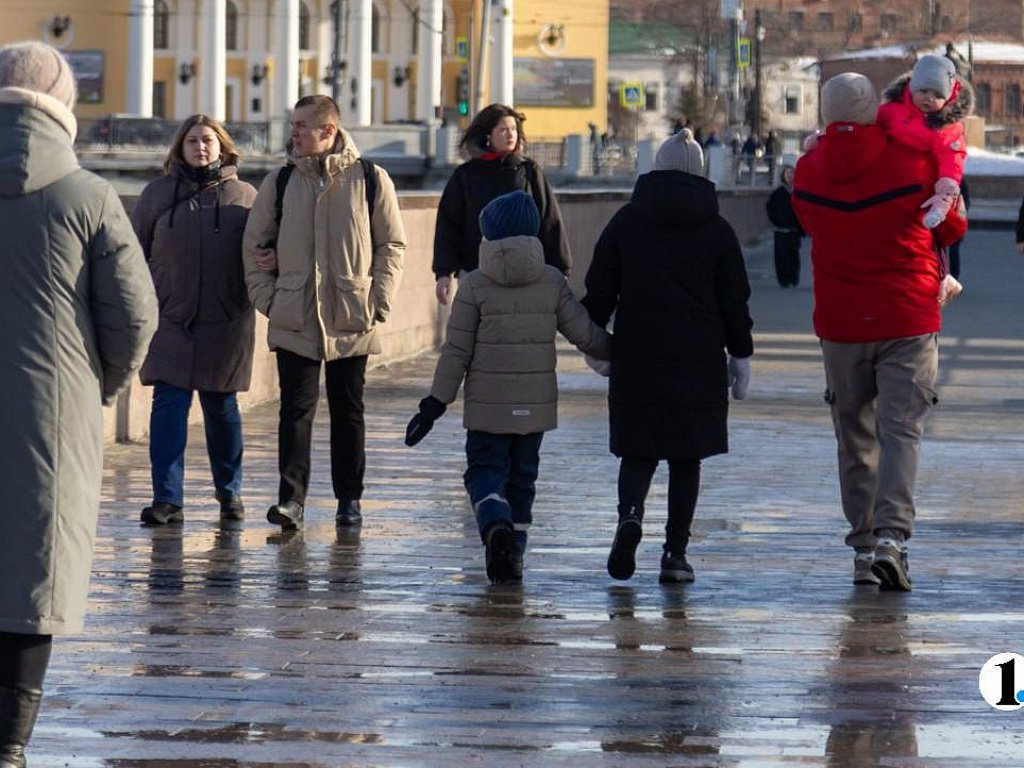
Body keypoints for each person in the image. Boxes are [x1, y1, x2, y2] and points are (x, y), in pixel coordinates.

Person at [0, 41, 157, 765]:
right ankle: (9, 743)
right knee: (33, 570)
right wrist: (96, 386)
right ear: (62, 106)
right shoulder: (87, 195)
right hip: (48, 409)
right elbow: (134, 315)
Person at [791, 73, 967, 591]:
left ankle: (864, 546)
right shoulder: (913, 162)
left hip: (842, 322)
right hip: (907, 318)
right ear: (878, 109)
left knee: (854, 434)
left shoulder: (807, 171)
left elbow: (808, 222)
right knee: (901, 430)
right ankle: (892, 538)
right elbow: (952, 227)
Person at [405, 191, 611, 584]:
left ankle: (494, 522)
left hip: (487, 409)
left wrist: (434, 404)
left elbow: (456, 352)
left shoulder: (475, 285)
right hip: (535, 410)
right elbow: (585, 334)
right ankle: (512, 556)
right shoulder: (552, 281)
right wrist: (624, 355)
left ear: (490, 237)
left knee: (483, 471)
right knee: (523, 480)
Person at [581, 129, 754, 584]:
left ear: (654, 169)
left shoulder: (626, 221)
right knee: (686, 457)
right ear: (700, 171)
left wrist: (595, 345)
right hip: (698, 358)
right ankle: (675, 555)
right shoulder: (717, 229)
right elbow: (735, 300)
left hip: (638, 353)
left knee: (638, 450)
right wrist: (742, 356)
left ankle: (631, 516)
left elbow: (599, 290)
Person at [243, 94, 406, 531]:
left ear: (328, 131)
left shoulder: (370, 178)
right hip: (295, 312)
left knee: (349, 410)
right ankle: (291, 501)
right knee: (295, 411)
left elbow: (391, 244)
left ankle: (349, 500)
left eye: (300, 126)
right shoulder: (279, 182)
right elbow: (255, 244)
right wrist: (270, 300)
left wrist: (379, 299)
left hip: (351, 312)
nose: (292, 133)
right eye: (292, 125)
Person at [131, 115, 257, 526]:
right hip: (171, 318)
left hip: (225, 320)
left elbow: (265, 250)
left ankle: (230, 494)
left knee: (221, 409)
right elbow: (132, 253)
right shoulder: (157, 195)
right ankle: (167, 499)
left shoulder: (245, 197)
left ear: (222, 146)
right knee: (168, 405)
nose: (200, 148)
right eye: (192, 141)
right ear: (179, 148)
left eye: (207, 140)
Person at [432, 103, 570, 305]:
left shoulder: (528, 171)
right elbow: (448, 224)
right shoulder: (466, 175)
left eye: (514, 129)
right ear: (488, 135)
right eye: (503, 130)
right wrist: (443, 272)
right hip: (476, 271)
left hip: (525, 272)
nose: (510, 135)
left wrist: (561, 269)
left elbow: (549, 219)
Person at [876, 54, 974, 229]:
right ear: (913, 88)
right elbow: (868, 128)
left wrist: (947, 182)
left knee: (949, 171)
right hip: (888, 185)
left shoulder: (945, 126)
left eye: (937, 95)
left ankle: (942, 202)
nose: (929, 98)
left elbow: (952, 157)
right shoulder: (891, 111)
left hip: (922, 190)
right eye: (924, 91)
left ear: (948, 98)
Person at [766, 164, 805, 287]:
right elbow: (770, 209)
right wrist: (777, 221)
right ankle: (783, 279)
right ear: (783, 176)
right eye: (787, 174)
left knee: (793, 255)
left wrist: (801, 227)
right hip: (781, 230)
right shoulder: (778, 193)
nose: (790, 176)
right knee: (781, 256)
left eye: (792, 173)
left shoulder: (798, 193)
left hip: (794, 231)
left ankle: (794, 278)